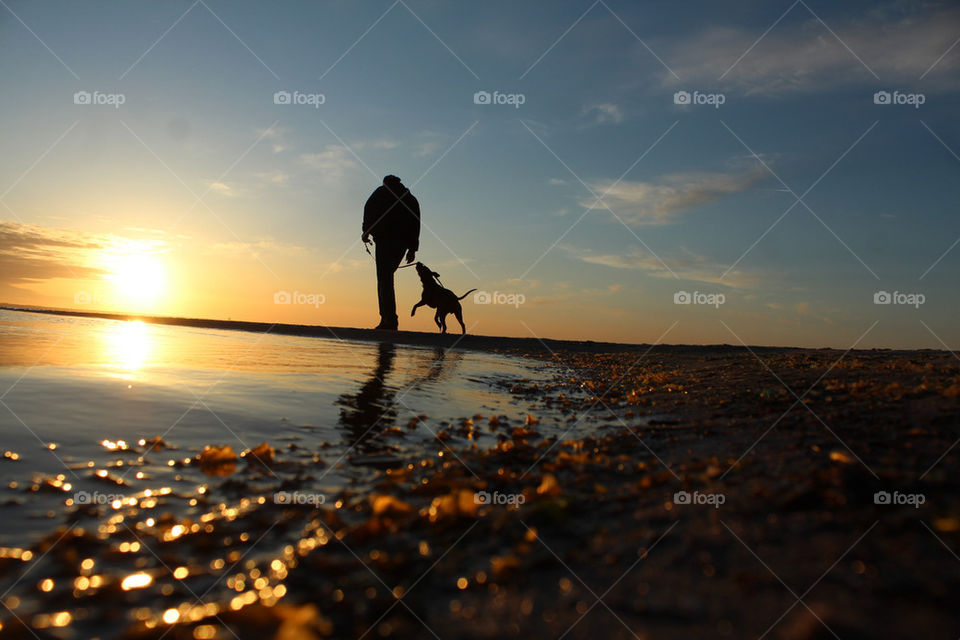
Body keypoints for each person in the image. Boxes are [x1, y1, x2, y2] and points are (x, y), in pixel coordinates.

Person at [362, 175, 420, 330]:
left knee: (384, 279)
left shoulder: (381, 193)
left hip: (385, 240)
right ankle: (388, 319)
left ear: (386, 183)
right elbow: (416, 223)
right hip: (401, 244)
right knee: (387, 277)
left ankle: (389, 319)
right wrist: (412, 248)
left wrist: (365, 232)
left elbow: (369, 211)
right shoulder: (410, 199)